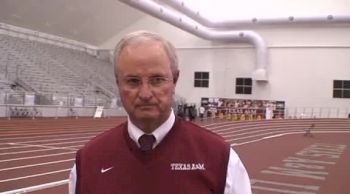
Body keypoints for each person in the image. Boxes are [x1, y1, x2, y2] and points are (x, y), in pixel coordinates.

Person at [68, 30, 251, 194]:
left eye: (157, 80)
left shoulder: (220, 158)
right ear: (118, 83)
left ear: (175, 80)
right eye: (133, 81)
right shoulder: (88, 160)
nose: (145, 94)